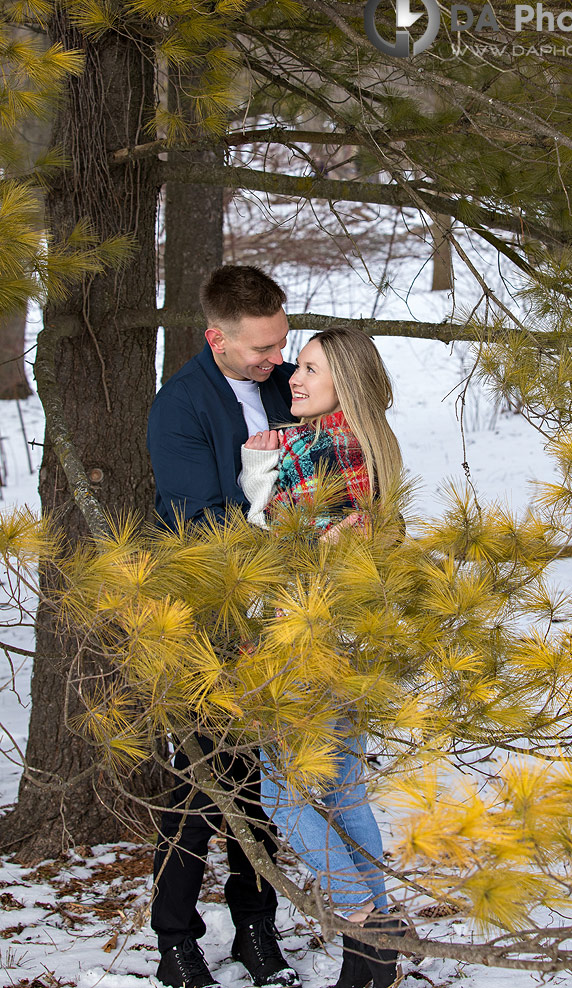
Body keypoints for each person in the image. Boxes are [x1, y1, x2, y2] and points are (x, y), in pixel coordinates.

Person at [240, 327, 408, 988]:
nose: (295, 379)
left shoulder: (314, 443)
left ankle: (367, 921)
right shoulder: (370, 441)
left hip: (303, 639)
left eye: (310, 369)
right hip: (354, 638)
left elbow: (274, 542)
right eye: (297, 367)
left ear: (345, 381)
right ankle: (377, 959)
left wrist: (257, 469)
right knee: (341, 786)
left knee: (281, 794)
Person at [147, 265, 301, 988]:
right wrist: (286, 543)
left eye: (281, 342)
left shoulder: (286, 382)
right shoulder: (179, 405)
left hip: (282, 607)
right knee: (203, 777)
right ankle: (174, 937)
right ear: (216, 338)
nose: (276, 360)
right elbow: (196, 520)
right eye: (261, 351)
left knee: (254, 776)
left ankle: (255, 923)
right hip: (211, 607)